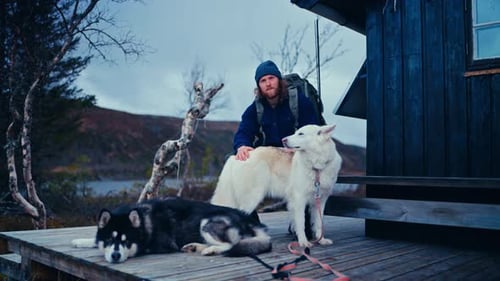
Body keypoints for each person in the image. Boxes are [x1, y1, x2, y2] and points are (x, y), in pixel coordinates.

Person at [234, 60, 320, 161]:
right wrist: (242, 146)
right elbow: (244, 131)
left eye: (271, 78)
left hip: (296, 157)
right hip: (268, 159)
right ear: (259, 86)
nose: (268, 83)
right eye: (263, 80)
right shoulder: (255, 109)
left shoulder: (299, 101)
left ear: (279, 80)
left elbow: (312, 132)